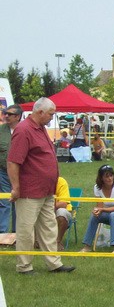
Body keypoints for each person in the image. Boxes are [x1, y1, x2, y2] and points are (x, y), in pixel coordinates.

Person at [7, 97, 75, 274]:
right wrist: (16, 187)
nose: (52, 118)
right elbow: (13, 161)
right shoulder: (24, 130)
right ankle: (24, 266)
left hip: (46, 190)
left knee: (49, 227)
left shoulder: (41, 128)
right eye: (51, 114)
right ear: (40, 112)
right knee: (26, 229)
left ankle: (54, 263)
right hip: (29, 191)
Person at [79, 165, 114, 254]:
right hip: (112, 215)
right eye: (106, 176)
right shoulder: (97, 188)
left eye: (111, 175)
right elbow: (100, 206)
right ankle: (87, 246)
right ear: (101, 178)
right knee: (95, 216)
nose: (110, 178)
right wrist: (97, 210)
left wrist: (102, 209)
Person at [0, 104, 22, 233]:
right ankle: (2, 233)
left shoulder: (25, 129)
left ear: (18, 116)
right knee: (4, 201)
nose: (6, 116)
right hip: (3, 171)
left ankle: (16, 233)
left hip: (21, 173)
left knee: (18, 202)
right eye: (5, 113)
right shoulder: (1, 130)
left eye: (10, 114)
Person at [54, 176, 73, 251]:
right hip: (46, 211)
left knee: (61, 212)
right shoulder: (39, 181)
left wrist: (47, 205)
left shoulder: (61, 182)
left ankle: (58, 241)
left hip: (59, 211)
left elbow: (63, 204)